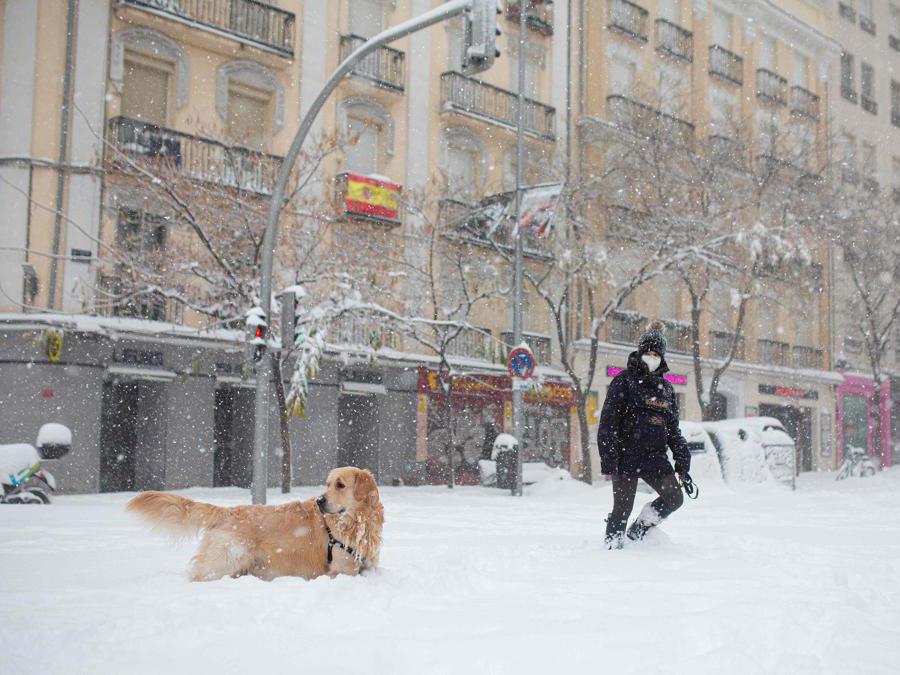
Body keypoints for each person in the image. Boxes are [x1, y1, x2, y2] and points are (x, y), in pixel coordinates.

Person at [597, 320, 693, 549]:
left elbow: (672, 429)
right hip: (625, 455)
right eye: (647, 352)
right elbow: (608, 423)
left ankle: (637, 533)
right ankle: (612, 548)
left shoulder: (667, 389)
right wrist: (609, 458)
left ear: (662, 357)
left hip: (655, 458)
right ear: (640, 354)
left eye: (656, 353)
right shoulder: (623, 382)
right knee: (622, 508)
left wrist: (682, 457)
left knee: (674, 498)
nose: (651, 357)